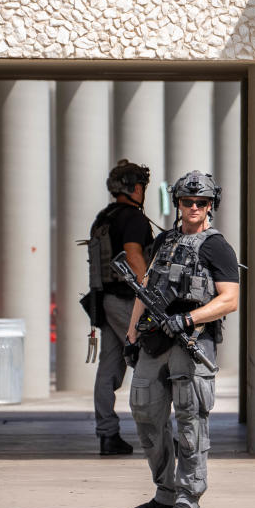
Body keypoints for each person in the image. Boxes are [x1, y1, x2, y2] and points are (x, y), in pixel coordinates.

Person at [127, 171, 239, 508]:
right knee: (144, 411)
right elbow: (145, 287)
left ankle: (188, 496)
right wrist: (131, 334)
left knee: (191, 422)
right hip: (155, 339)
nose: (193, 207)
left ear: (211, 206)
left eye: (201, 202)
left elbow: (230, 299)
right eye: (187, 201)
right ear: (177, 203)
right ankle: (165, 491)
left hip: (193, 341)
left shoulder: (217, 246)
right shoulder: (165, 241)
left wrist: (189, 319)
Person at [87, 159, 154, 456]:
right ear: (137, 188)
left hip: (105, 300)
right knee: (150, 363)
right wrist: (152, 294)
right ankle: (157, 432)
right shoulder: (133, 218)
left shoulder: (104, 217)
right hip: (128, 301)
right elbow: (133, 254)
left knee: (109, 367)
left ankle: (107, 434)